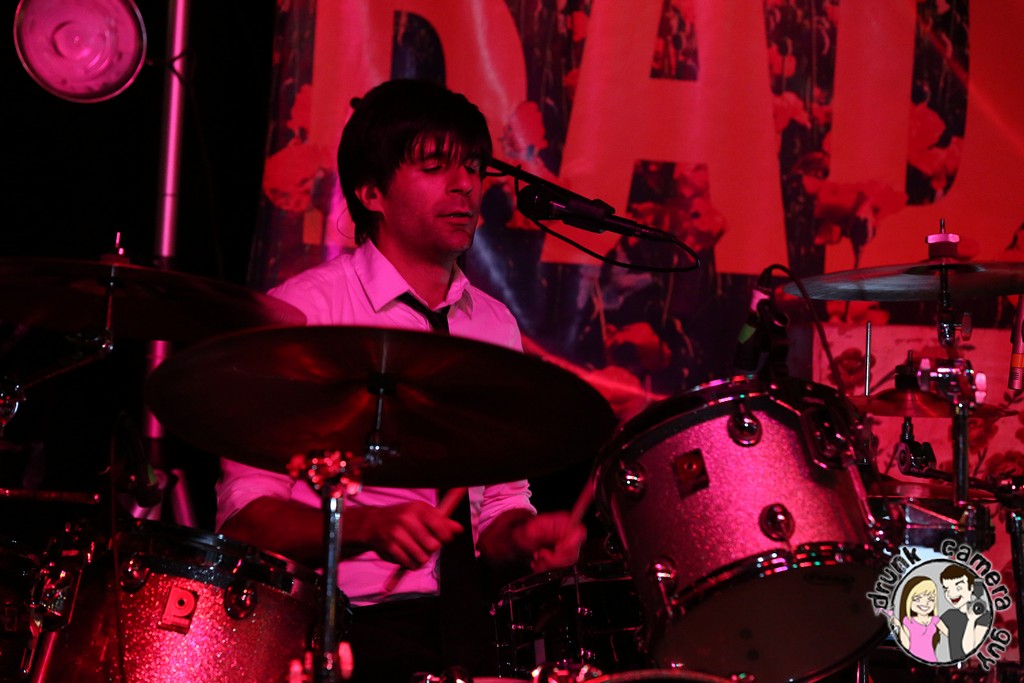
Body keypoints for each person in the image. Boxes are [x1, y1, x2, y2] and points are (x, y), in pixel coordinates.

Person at [215, 79, 585, 681]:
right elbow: (246, 518)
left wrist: (526, 534)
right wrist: (363, 527)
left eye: (473, 167)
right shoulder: (305, 314)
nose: (465, 185)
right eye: (435, 167)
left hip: (468, 626)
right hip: (338, 626)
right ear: (371, 192)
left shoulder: (494, 322)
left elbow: (498, 508)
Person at [939, 565, 992, 661]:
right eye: (946, 589)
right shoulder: (949, 615)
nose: (951, 593)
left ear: (971, 588)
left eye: (958, 588)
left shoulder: (983, 616)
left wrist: (971, 620)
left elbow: (968, 650)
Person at [890, 575, 948, 663]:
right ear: (908, 600)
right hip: (912, 660)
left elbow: (951, 635)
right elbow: (907, 645)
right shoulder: (907, 621)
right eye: (917, 599)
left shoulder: (935, 620)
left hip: (931, 660)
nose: (925, 603)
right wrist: (899, 626)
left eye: (931, 599)